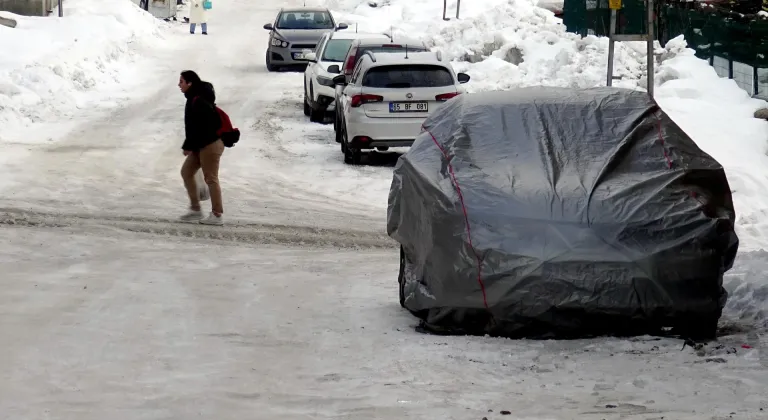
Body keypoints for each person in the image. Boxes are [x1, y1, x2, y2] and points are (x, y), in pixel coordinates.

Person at [178, 70, 225, 225]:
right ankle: (195, 209)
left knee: (211, 178)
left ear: (190, 83)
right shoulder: (193, 97)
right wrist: (190, 145)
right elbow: (193, 127)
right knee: (186, 172)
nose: (179, 84)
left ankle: (217, 215)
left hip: (210, 144)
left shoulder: (199, 100)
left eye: (181, 81)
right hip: (200, 145)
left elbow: (201, 126)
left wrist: (190, 145)